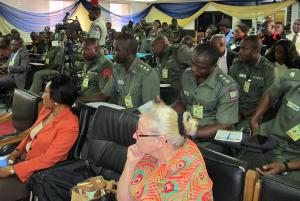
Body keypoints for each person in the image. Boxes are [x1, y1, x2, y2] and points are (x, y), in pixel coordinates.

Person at [0, 75, 79, 200]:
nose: (42, 95)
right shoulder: (47, 109)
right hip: (21, 160)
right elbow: (31, 133)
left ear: (56, 98)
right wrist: (16, 152)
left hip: (35, 173)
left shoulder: (69, 126)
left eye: (46, 92)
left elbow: (48, 160)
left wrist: (11, 170)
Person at [117, 104, 213, 201]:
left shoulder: (183, 177)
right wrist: (130, 164)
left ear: (160, 141)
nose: (134, 136)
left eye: (139, 133)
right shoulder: (150, 152)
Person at [237, 68, 300, 180]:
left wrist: (285, 166)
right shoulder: (294, 78)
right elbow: (271, 94)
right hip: (268, 142)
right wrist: (254, 119)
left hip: (294, 159)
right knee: (240, 172)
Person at [77, 33, 160, 111]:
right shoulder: (117, 70)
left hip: (137, 122)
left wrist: (126, 119)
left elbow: (150, 109)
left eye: (117, 50)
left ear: (128, 51)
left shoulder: (147, 74)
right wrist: (81, 99)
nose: (113, 53)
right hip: (120, 118)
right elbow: (103, 95)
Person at [174, 43, 239, 140]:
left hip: (211, 139)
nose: (193, 69)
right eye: (193, 63)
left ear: (213, 66)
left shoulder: (227, 87)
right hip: (185, 130)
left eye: (200, 67)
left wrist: (191, 133)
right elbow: (182, 102)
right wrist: (169, 116)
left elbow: (224, 124)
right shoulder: (187, 75)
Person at [229, 35, 275, 130]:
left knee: (239, 135)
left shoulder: (269, 70)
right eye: (240, 48)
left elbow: (268, 101)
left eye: (244, 48)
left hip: (255, 114)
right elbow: (229, 89)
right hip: (233, 109)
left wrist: (242, 115)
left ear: (257, 50)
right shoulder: (237, 64)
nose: (239, 52)